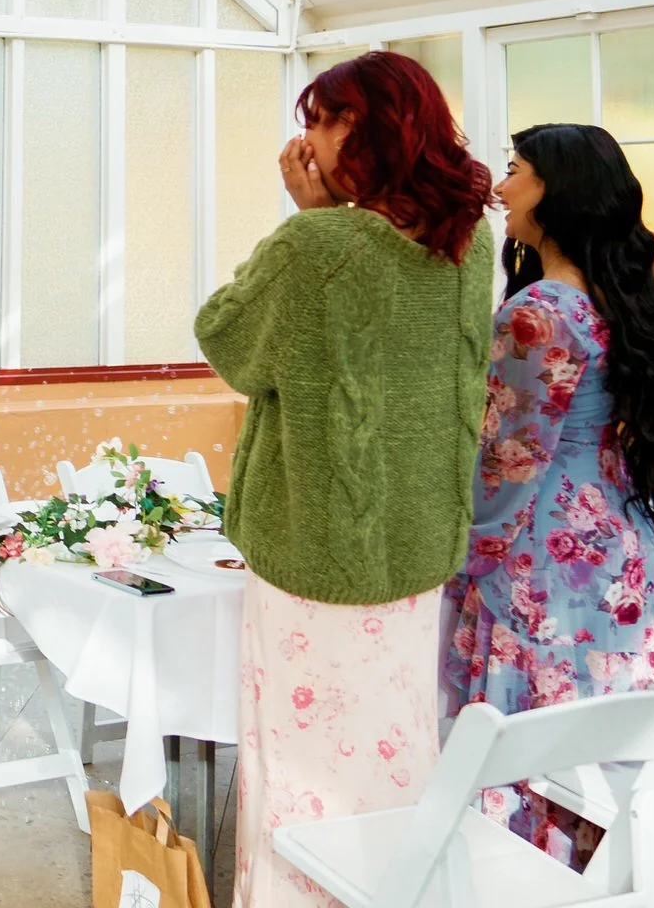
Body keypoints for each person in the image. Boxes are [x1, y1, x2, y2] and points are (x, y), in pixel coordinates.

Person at [195, 52, 494, 908]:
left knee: (301, 763)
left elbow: (229, 341)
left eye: (322, 118)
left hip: (315, 553)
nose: (308, 137)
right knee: (397, 739)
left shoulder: (314, 244)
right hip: (419, 542)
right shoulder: (469, 245)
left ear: (365, 128)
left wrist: (309, 217)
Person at [445, 123, 654, 865]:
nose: (501, 188)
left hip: (537, 556)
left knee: (524, 747)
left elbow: (505, 461)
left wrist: (460, 554)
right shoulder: (620, 298)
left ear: (555, 191)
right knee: (601, 741)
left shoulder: (536, 313)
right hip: (618, 549)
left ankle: (520, 875)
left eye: (515, 171)